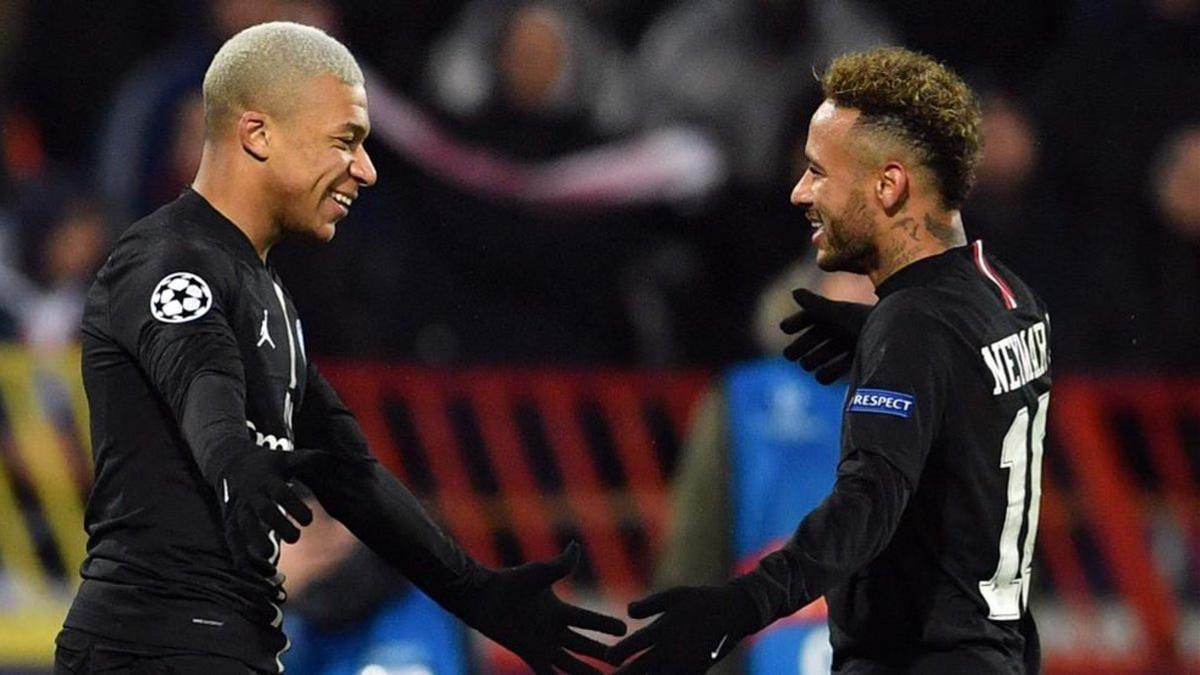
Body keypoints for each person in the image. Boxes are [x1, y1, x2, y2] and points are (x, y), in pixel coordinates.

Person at [55, 21, 624, 675]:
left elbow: (347, 467)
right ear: (258, 136)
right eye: (342, 142)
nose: (365, 167)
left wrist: (474, 589)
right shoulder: (171, 272)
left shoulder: (267, 285)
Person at [606, 46, 1051, 674]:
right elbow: (969, 416)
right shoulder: (1007, 297)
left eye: (818, 172)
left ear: (889, 185)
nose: (799, 193)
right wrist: (879, 338)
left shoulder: (915, 326)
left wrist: (741, 606)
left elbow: (866, 505)